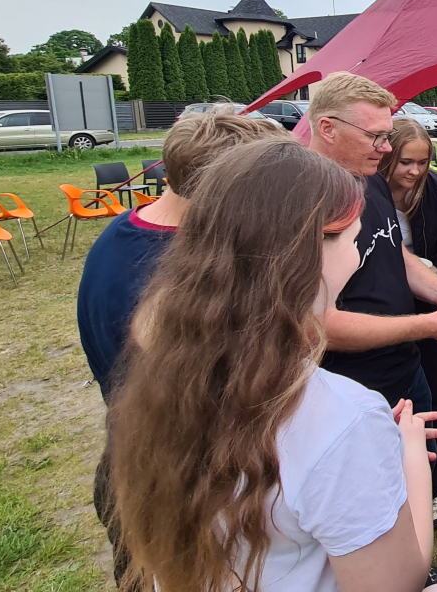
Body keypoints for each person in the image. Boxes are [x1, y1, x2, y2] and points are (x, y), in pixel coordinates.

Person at [110, 139, 437, 592]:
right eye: (354, 239)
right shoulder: (345, 417)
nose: (359, 252)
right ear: (312, 251)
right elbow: (397, 582)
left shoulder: (165, 375)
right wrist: (410, 466)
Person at [77, 108, 286, 587]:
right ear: (226, 189)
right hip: (175, 482)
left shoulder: (128, 232)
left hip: (138, 460)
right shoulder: (174, 271)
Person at [306, 72, 437, 430]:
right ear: (327, 128)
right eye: (374, 137)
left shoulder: (370, 178)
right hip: (347, 385)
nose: (385, 148)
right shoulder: (303, 201)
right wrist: (428, 325)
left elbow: (394, 251)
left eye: (386, 136)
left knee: (423, 470)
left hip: (406, 367)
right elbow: (314, 326)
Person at [380, 119, 437, 529]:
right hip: (385, 309)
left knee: (434, 402)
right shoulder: (367, 192)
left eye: (423, 161)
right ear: (387, 156)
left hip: (433, 302)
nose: (415, 171)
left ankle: (432, 490)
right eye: (405, 162)